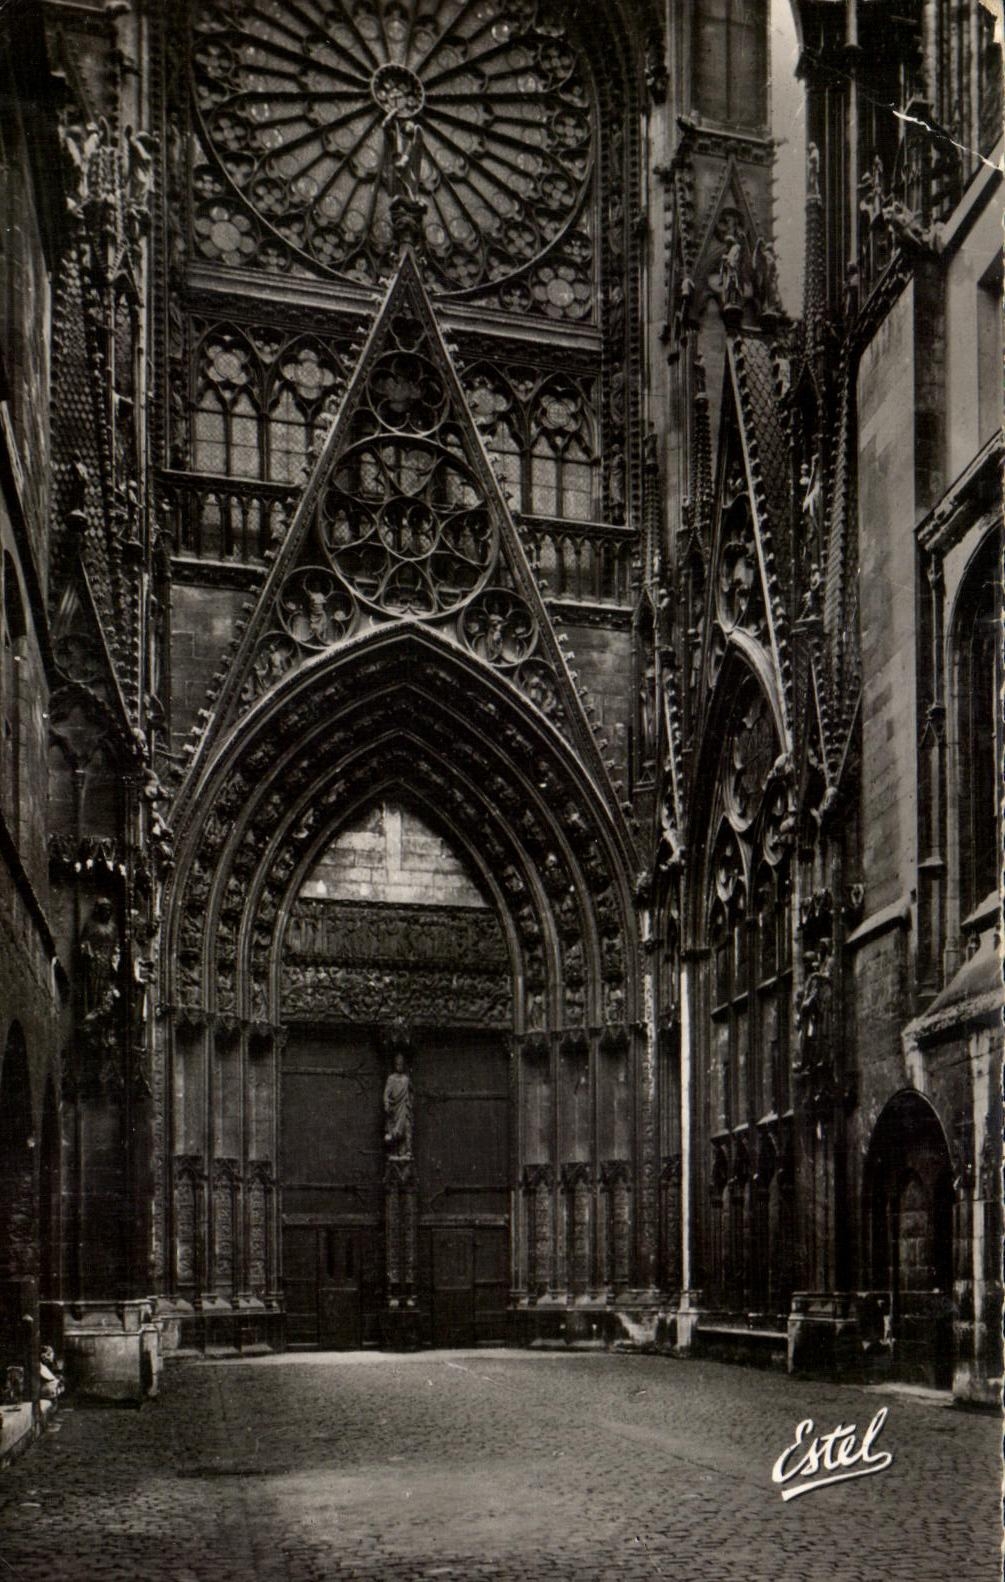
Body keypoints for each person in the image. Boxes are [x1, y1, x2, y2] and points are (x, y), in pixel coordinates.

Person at [383, 1052, 413, 1158]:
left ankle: (406, 1150)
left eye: (401, 1064)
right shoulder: (391, 1079)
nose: (399, 1066)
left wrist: (409, 1102)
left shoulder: (406, 1079)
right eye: (397, 1064)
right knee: (394, 1130)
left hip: (404, 1108)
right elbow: (386, 1094)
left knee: (406, 1127)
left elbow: (411, 1093)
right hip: (394, 1108)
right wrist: (386, 1103)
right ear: (394, 1065)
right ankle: (393, 1151)